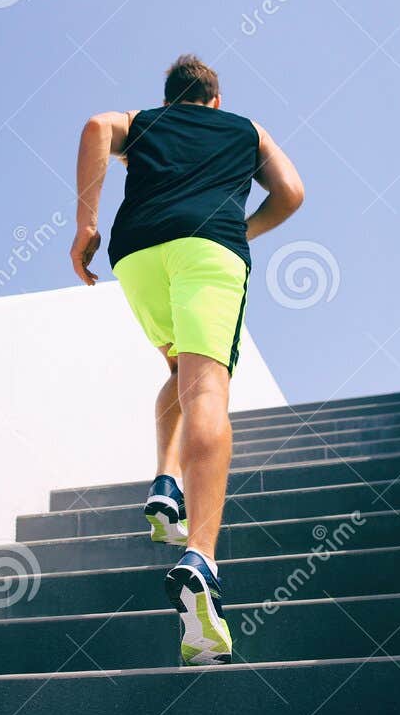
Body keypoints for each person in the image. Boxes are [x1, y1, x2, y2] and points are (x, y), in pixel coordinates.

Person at [69, 54, 304, 665]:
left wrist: (84, 225)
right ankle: (201, 555)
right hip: (209, 248)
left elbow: (97, 126)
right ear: (216, 100)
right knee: (205, 389)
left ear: (170, 98)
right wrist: (238, 229)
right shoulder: (245, 129)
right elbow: (293, 193)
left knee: (178, 369)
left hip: (138, 252)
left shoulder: (145, 121)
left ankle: (166, 482)